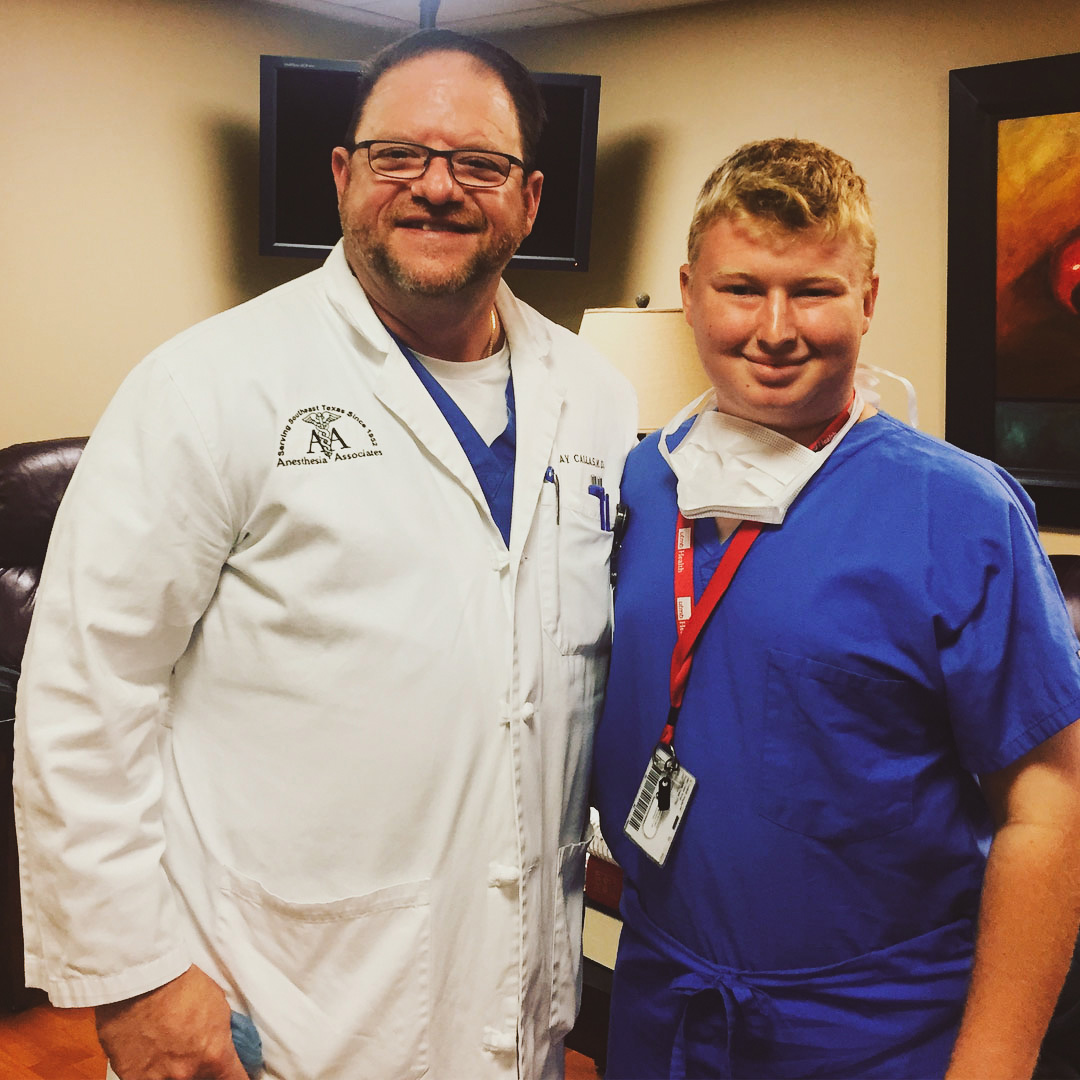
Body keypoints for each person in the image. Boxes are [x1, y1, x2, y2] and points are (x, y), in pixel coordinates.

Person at [14, 29, 636, 1080]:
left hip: (516, 1002)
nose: (436, 187)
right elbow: (84, 692)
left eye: (478, 163)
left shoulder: (599, 399)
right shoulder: (208, 384)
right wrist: (133, 980)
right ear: (344, 174)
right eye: (400, 156)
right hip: (279, 1005)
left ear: (530, 199)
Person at [591, 137, 1080, 1078]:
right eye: (741, 289)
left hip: (873, 1029)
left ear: (868, 299)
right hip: (665, 1006)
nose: (775, 329)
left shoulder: (958, 512)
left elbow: (1049, 807)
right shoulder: (640, 485)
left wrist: (993, 1063)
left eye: (814, 291)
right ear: (689, 293)